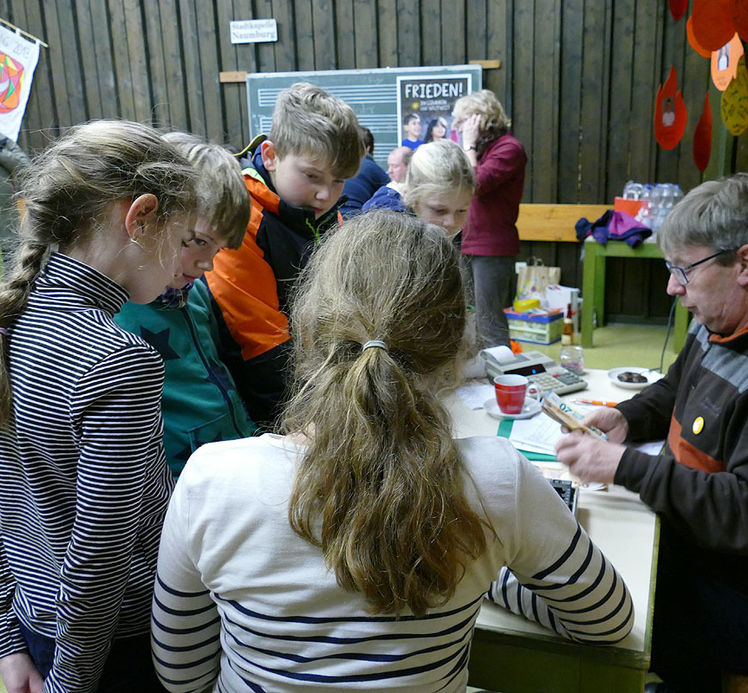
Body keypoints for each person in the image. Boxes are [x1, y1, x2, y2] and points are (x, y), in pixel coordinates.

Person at [151, 211, 634, 692]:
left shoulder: (211, 480)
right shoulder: (498, 480)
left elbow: (181, 677)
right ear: (454, 344)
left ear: (308, 325)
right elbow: (607, 622)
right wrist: (490, 569)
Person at [555, 173, 748, 693]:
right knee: (588, 563)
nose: (672, 287)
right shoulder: (725, 321)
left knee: (599, 613)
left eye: (683, 270)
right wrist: (628, 418)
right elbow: (676, 387)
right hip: (713, 554)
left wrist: (626, 467)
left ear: (745, 264)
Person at [0, 120, 197, 693]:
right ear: (140, 218)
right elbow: (99, 560)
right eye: (184, 239)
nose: (183, 263)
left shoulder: (15, 318)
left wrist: (8, 639)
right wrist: (71, 684)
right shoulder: (119, 359)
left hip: (36, 622)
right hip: (110, 646)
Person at [206, 82, 365, 428]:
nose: (326, 194)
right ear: (270, 156)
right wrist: (299, 421)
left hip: (311, 382)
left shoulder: (323, 214)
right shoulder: (242, 217)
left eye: (339, 181)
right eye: (312, 176)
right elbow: (258, 343)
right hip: (265, 400)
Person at [114, 132, 255, 479]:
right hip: (180, 484)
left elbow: (217, 373)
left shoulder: (196, 293)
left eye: (218, 249)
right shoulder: (117, 313)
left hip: (230, 461)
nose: (207, 264)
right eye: (197, 242)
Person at [452, 89, 527, 348]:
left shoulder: (509, 148)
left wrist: (469, 145)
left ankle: (502, 384)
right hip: (467, 242)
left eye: (461, 121)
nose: (457, 127)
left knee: (489, 321)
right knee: (466, 317)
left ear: (479, 120)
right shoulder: (482, 151)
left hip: (492, 247)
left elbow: (477, 183)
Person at [362, 140, 473, 237]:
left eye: (461, 211)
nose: (451, 222)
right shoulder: (386, 227)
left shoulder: (443, 230)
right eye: (439, 210)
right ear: (409, 195)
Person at [339, 126, 389, 219]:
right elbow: (392, 192)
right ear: (368, 148)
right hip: (356, 221)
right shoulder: (372, 167)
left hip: (332, 218)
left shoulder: (337, 163)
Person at [0, 137, 30, 270]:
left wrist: (2, 153)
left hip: (4, 211)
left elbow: (25, 168)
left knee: (12, 254)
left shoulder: (2, 140)